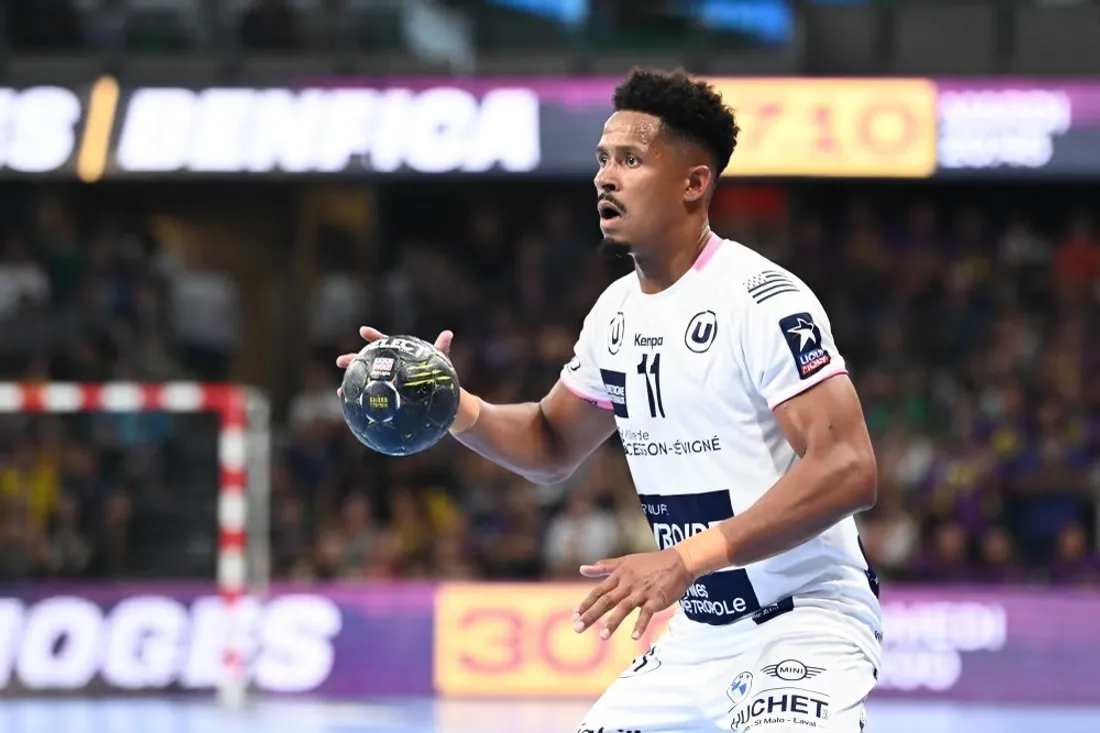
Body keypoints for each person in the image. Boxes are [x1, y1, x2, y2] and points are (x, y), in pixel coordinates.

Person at [337, 68, 882, 733]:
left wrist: (685, 559)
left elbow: (849, 466)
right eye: (602, 160)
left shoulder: (762, 299)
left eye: (630, 160)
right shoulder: (613, 314)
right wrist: (456, 408)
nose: (604, 177)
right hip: (698, 635)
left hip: (803, 622)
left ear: (693, 183)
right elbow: (549, 442)